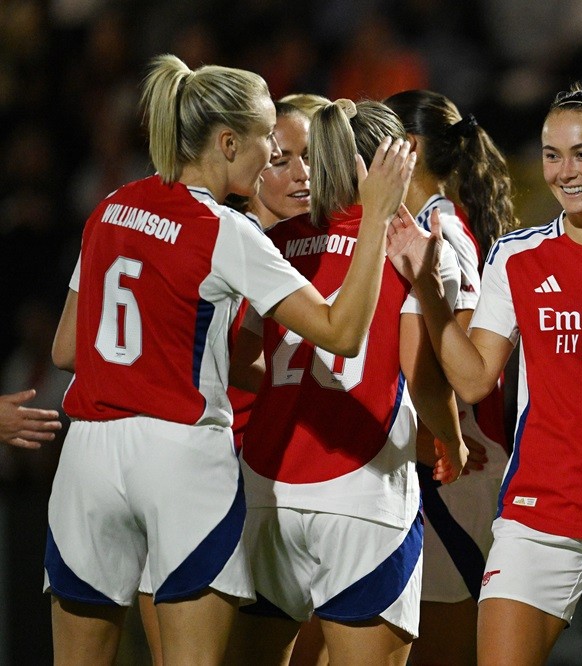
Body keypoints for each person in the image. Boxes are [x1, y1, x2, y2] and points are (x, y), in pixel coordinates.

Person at [45, 54, 421, 665]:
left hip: (86, 455)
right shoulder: (226, 229)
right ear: (226, 142)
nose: (274, 149)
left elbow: (67, 349)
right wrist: (376, 215)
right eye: (268, 136)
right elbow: (343, 332)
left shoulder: (109, 205)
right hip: (180, 454)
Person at [391, 80, 582, 665]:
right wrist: (431, 295)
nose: (565, 172)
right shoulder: (516, 255)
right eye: (552, 155)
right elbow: (475, 378)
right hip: (540, 509)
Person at [224, 98, 469, 666]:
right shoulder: (416, 243)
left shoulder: (277, 242)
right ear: (397, 163)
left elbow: (242, 355)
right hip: (363, 490)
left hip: (268, 487)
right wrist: (451, 440)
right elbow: (421, 374)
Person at [135, 97, 323, 666]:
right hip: (207, 471)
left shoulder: (321, 244)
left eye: (312, 157)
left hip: (283, 486)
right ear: (243, 155)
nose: (300, 173)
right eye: (282, 156)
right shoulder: (221, 235)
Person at [383, 89, 516, 666]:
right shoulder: (406, 225)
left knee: (441, 650)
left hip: (448, 471)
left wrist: (446, 438)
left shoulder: (445, 232)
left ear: (407, 148)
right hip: (427, 459)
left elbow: (442, 367)